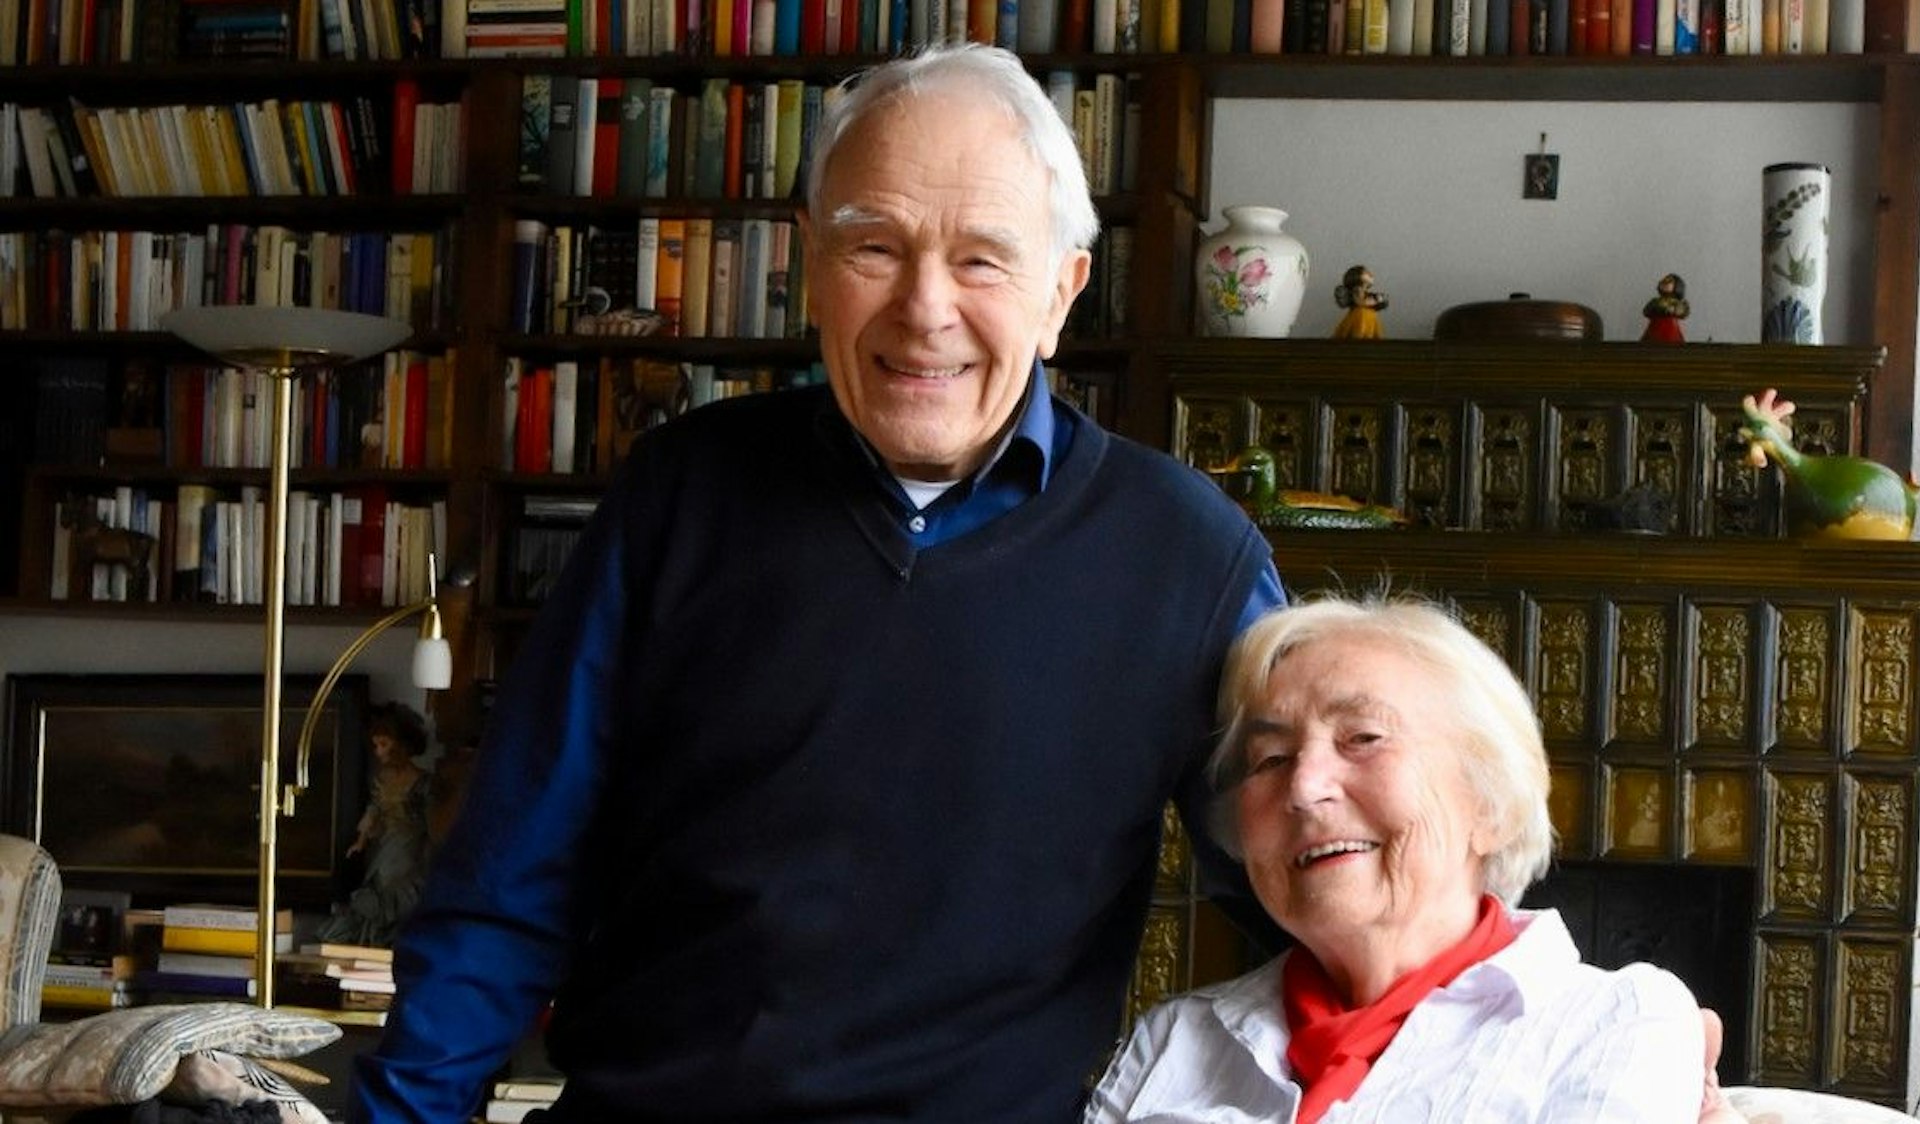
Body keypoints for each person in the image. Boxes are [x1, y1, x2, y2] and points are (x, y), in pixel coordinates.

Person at [350, 43, 1287, 1122]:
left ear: (1059, 293)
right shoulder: (679, 492)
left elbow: (1319, 888)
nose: (924, 309)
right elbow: (508, 883)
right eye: (875, 246)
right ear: (807, 264)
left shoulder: (1186, 554)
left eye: (982, 260)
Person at [1085, 595, 1710, 1122]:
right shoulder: (1178, 1038)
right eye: (1270, 760)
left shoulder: (1613, 1022)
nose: (1304, 788)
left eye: (1363, 738)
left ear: (1487, 803)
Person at [319, 702, 431, 948]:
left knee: (399, 888)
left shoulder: (421, 782)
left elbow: (430, 821)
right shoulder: (382, 780)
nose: (379, 752)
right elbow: (373, 810)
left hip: (409, 844)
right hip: (384, 841)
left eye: (384, 744)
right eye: (376, 745)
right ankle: (373, 936)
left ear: (401, 744)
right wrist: (360, 841)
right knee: (376, 884)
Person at [1331, 265, 1387, 340]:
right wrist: (1374, 301)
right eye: (1366, 273)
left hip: (1368, 315)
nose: (1370, 275)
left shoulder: (1367, 294)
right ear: (1357, 276)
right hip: (1360, 316)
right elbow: (1359, 302)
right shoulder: (1357, 290)